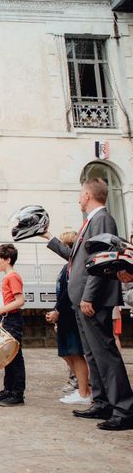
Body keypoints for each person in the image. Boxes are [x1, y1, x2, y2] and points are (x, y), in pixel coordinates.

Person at [45, 178, 133, 430]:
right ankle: (103, 402)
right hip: (82, 299)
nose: (78, 199)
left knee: (105, 354)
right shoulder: (91, 222)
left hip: (92, 300)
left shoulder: (102, 219)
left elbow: (101, 261)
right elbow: (75, 258)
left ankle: (124, 409)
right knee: (93, 354)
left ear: (87, 194)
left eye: (79, 194)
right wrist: (48, 237)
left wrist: (88, 296)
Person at [44, 231, 91, 406]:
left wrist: (57, 311)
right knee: (68, 353)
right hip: (64, 314)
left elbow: (68, 293)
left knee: (76, 353)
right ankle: (82, 389)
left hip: (70, 314)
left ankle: (84, 392)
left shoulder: (72, 269)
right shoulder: (67, 268)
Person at [0, 244, 26, 407]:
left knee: (14, 357)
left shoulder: (12, 277)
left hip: (13, 319)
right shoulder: (8, 277)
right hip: (8, 319)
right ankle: (8, 390)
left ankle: (17, 393)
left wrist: (0, 310)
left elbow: (20, 301)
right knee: (7, 357)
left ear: (7, 259)